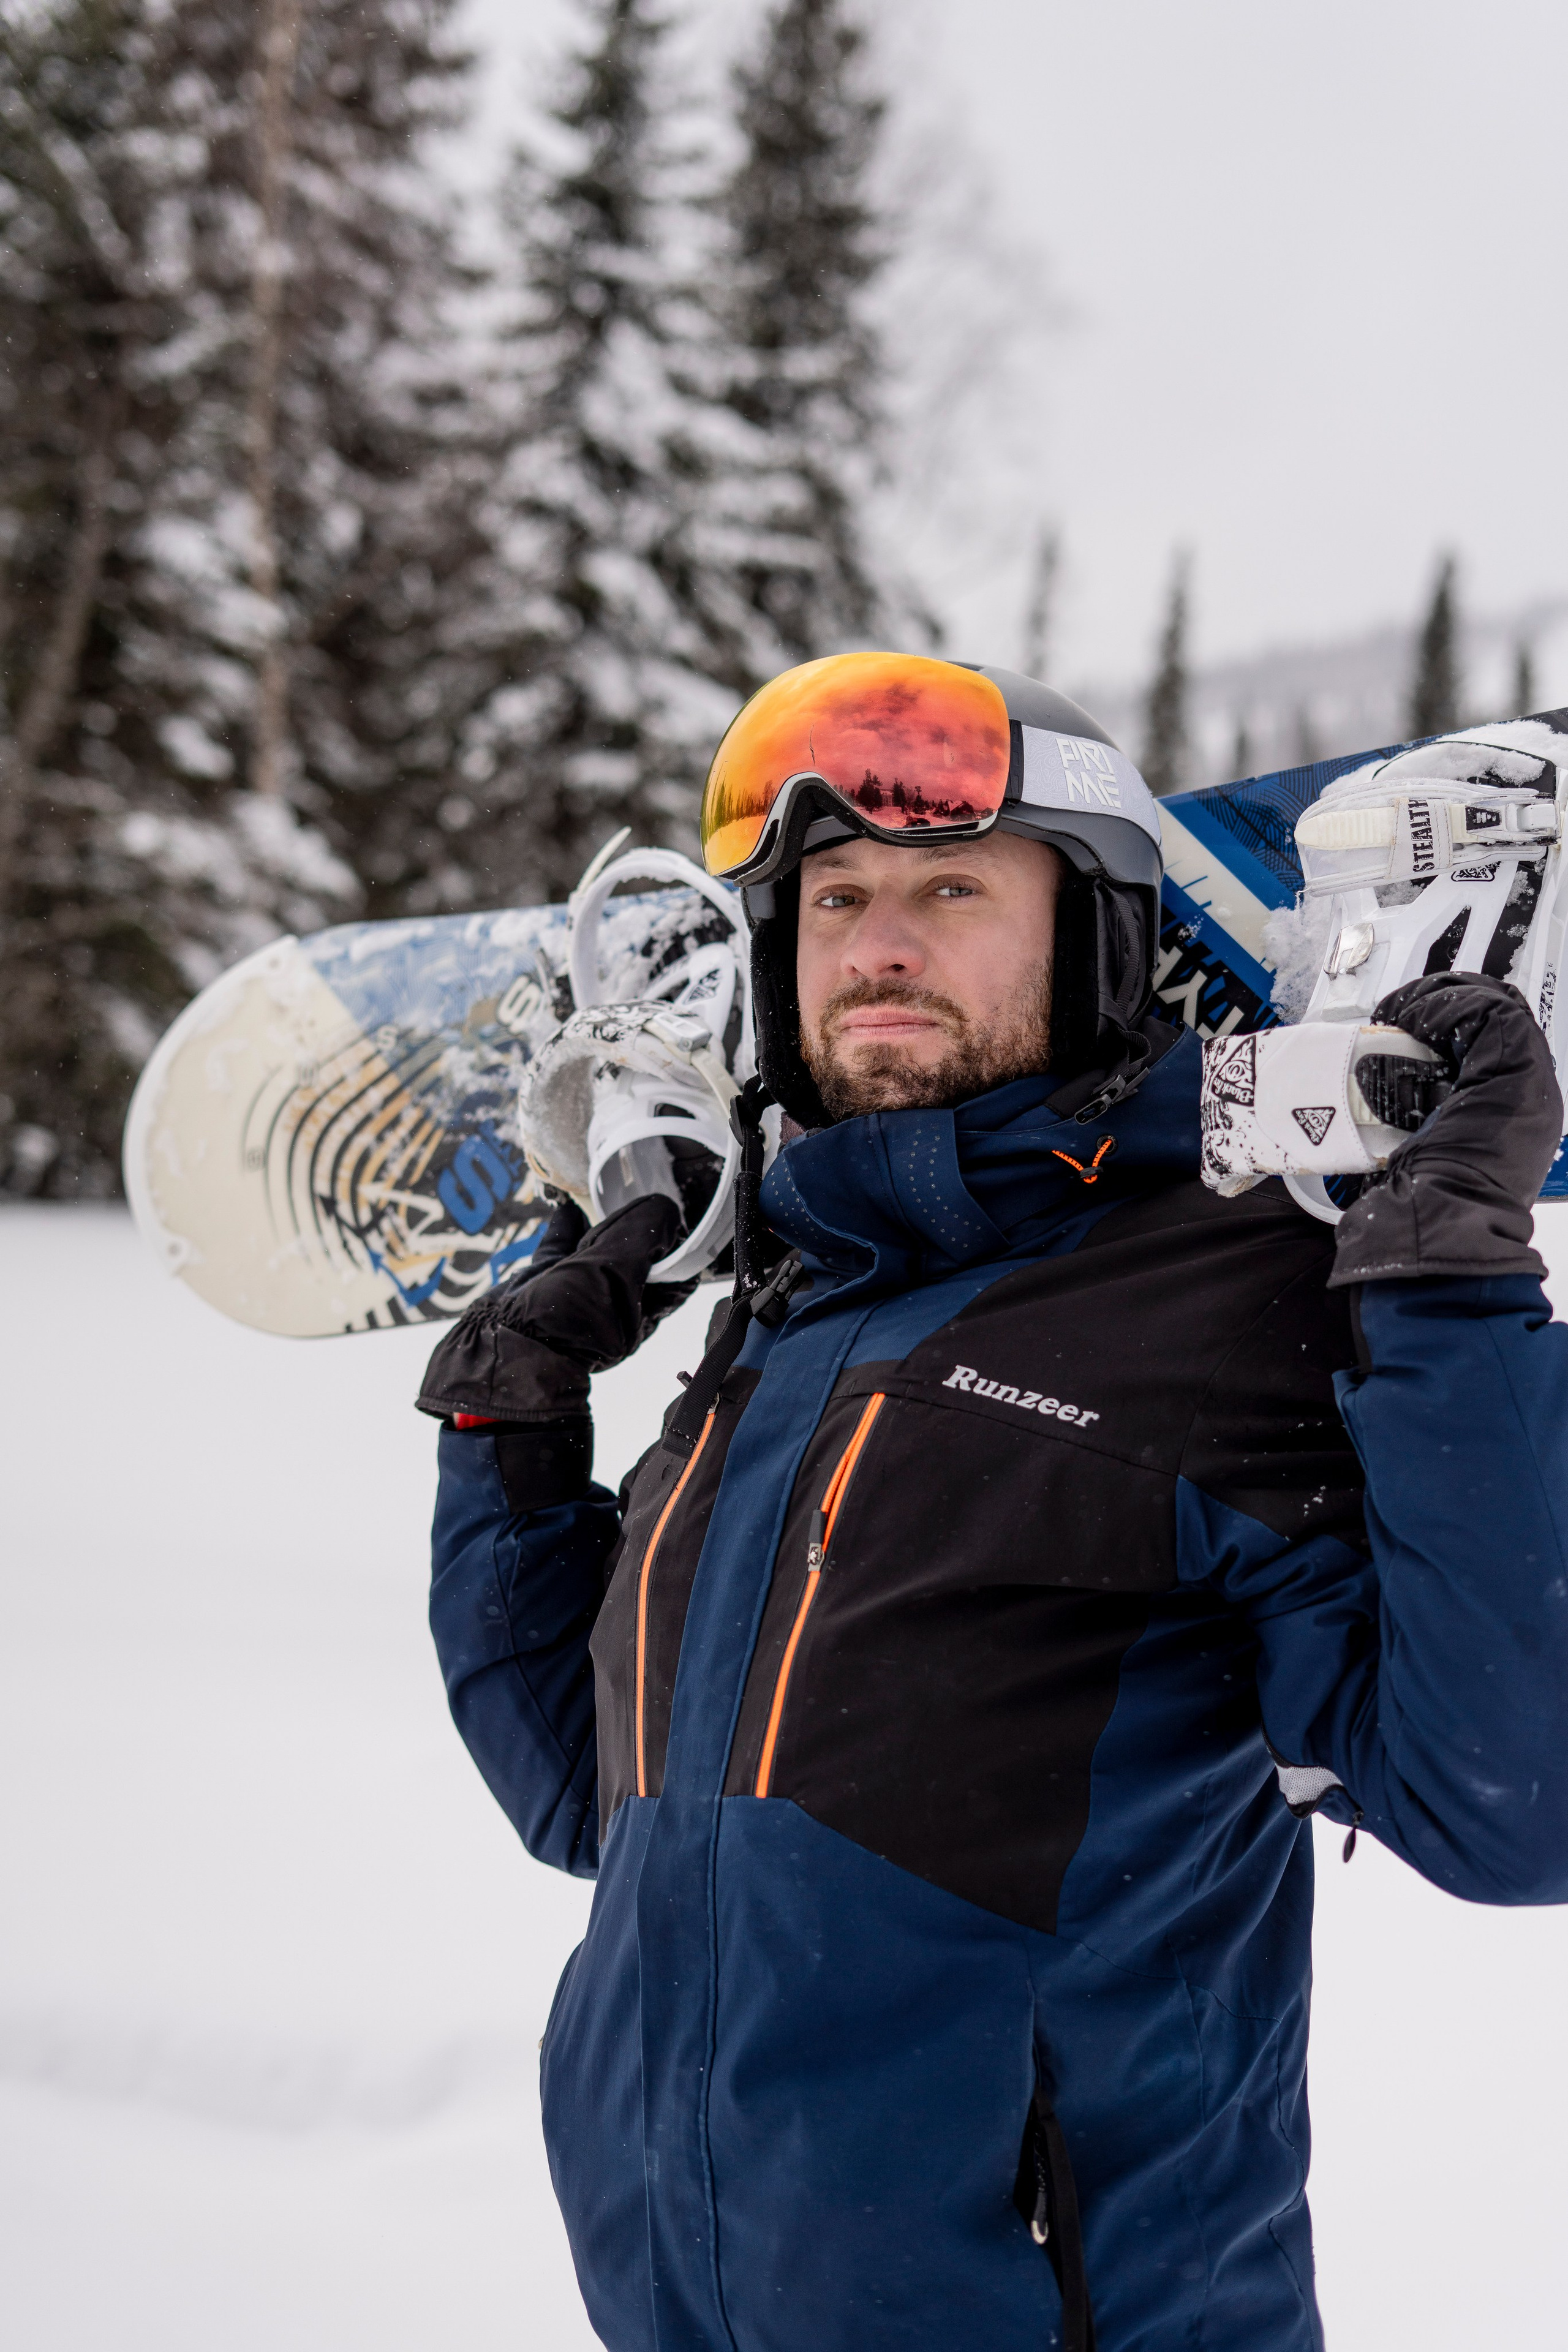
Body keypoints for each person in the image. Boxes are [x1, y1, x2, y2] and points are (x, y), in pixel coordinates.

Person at [417, 651, 1568, 2352]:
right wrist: (508, 1437)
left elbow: (1517, 1808)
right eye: (837, 899)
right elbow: (595, 1803)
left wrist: (1441, 1285)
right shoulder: (793, 1314)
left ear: (1097, 935)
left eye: (953, 887)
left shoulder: (1234, 1293)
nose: (880, 942)